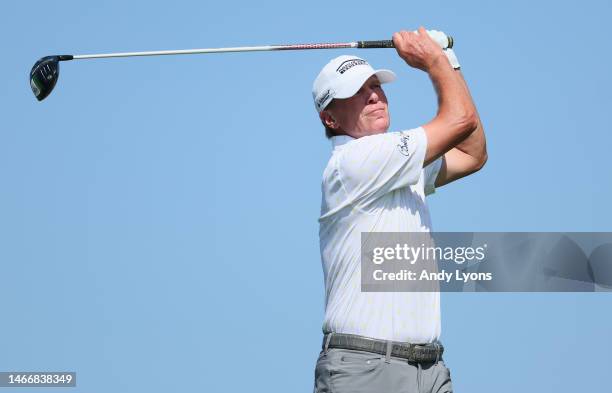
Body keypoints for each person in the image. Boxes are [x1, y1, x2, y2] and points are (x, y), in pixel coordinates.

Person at [311, 27, 487, 393]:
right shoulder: (356, 161)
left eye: (375, 85)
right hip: (365, 371)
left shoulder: (395, 165)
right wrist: (435, 60)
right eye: (356, 92)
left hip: (430, 369)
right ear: (330, 119)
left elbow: (472, 153)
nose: (374, 95)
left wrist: (449, 63)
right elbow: (459, 121)